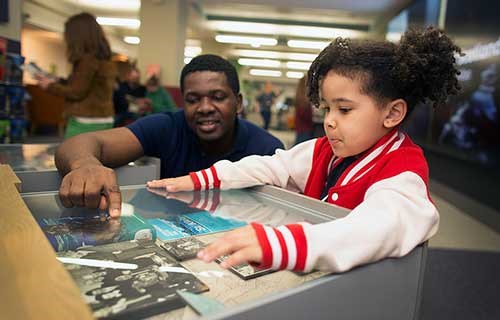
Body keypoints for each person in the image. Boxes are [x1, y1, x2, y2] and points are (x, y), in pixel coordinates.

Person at [147, 27, 462, 273]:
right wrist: (202, 179)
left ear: (392, 113)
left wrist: (284, 243)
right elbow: (271, 166)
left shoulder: (403, 172)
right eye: (327, 109)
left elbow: (377, 228)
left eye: (345, 110)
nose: (329, 122)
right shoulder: (323, 150)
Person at [55, 54, 284, 218]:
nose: (205, 107)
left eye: (218, 97)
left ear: (238, 103)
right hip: (167, 230)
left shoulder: (266, 148)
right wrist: (85, 164)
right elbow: (81, 143)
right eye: (193, 100)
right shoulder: (168, 127)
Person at [36, 12, 116, 138]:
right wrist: (60, 80)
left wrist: (49, 86)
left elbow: (76, 92)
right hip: (104, 119)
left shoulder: (87, 61)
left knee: (74, 156)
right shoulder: (103, 59)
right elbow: (89, 86)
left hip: (85, 121)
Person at [294, 76, 314, 145]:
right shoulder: (305, 100)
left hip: (300, 128)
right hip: (306, 129)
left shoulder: (299, 96)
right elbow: (307, 117)